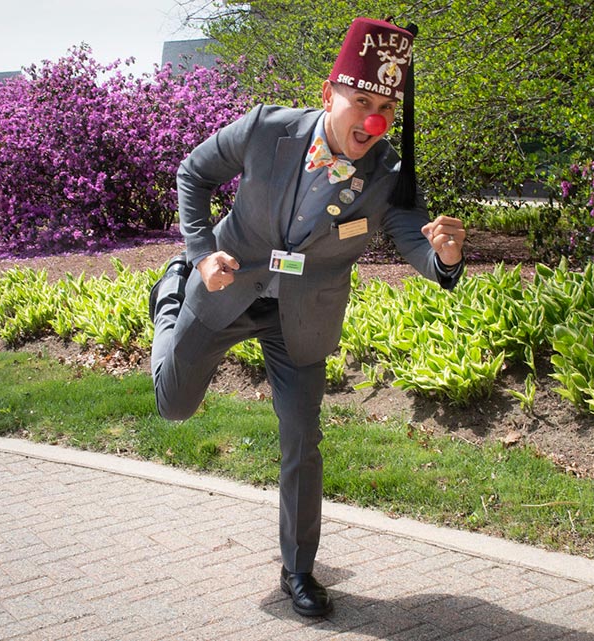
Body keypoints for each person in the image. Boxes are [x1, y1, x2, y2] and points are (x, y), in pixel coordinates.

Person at [148, 17, 465, 617]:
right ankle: (171, 293)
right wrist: (197, 255)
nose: (373, 121)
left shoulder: (389, 174)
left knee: (302, 439)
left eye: (386, 109)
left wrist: (443, 257)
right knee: (174, 405)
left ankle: (300, 571)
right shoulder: (268, 129)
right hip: (226, 286)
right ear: (329, 93)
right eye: (362, 102)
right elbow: (194, 173)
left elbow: (413, 240)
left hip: (300, 317)